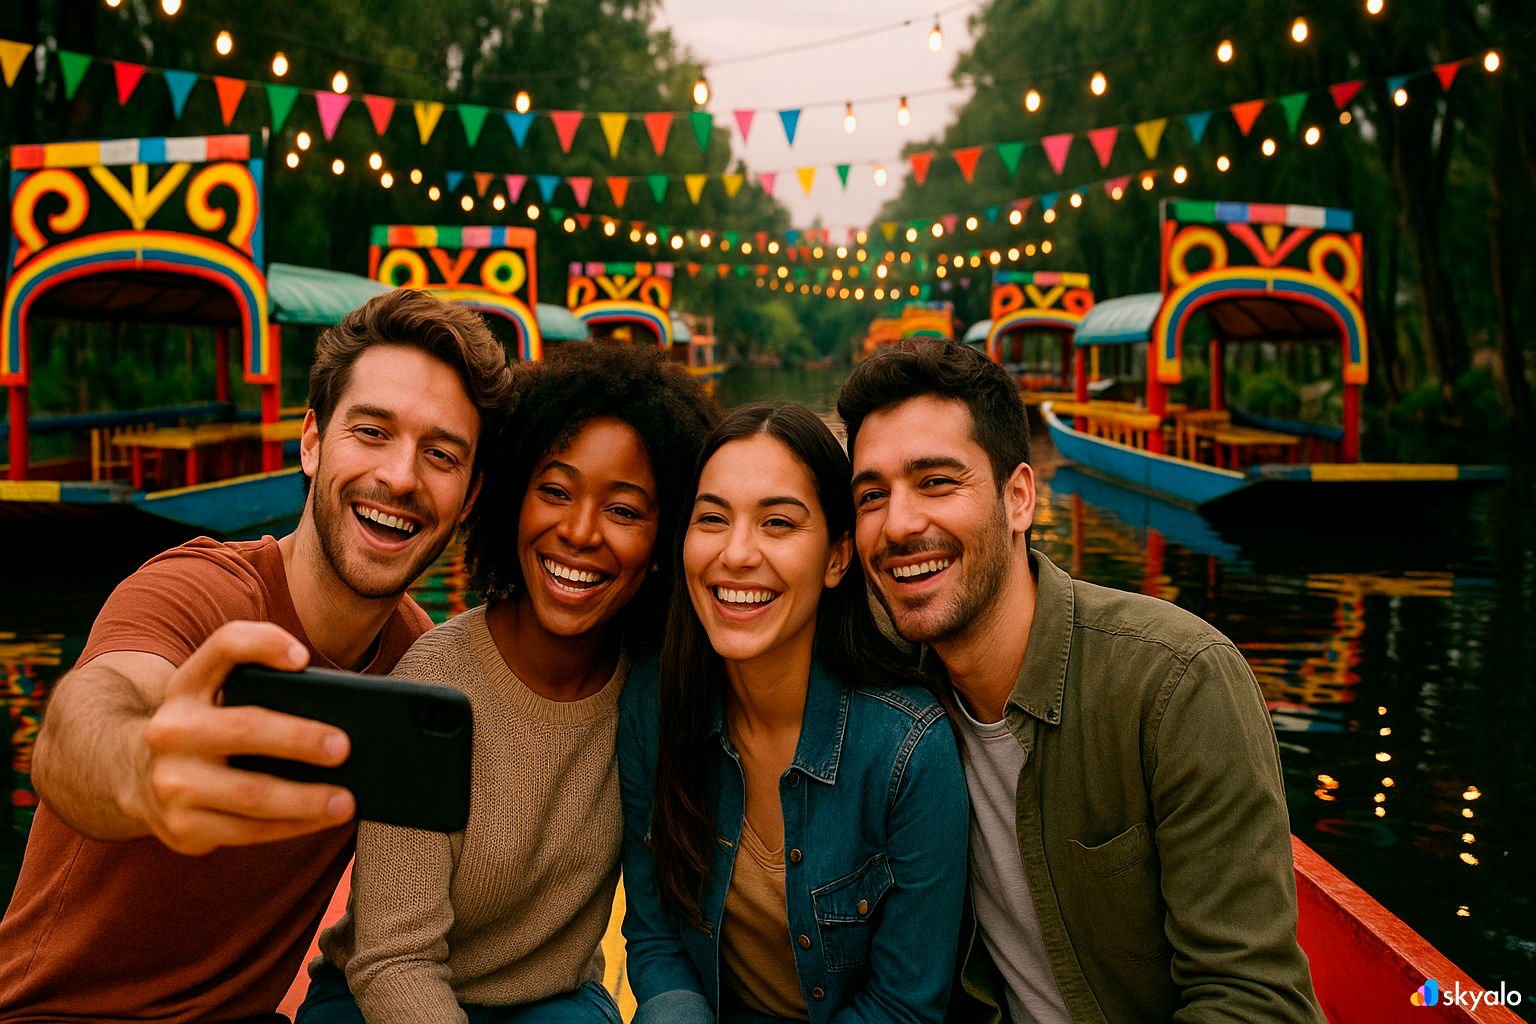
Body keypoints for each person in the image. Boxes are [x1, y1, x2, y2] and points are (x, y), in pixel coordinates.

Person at [0, 289, 512, 1022]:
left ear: (469, 498)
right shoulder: (198, 590)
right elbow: (79, 727)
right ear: (310, 442)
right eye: (371, 432)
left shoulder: (417, 658)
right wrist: (145, 768)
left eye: (441, 454)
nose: (401, 476)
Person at [837, 339, 1326, 1024]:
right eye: (871, 496)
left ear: (1018, 498)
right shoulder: (892, 694)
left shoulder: (1176, 685)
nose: (899, 524)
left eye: (937, 482)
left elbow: (1253, 1003)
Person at [298, 344, 716, 1024]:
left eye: (625, 510)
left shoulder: (653, 696)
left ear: (665, 540)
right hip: (380, 1000)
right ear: (511, 499)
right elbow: (393, 961)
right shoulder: (432, 687)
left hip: (551, 1002)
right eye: (554, 491)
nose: (579, 533)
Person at [620, 402, 969, 1024]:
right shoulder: (656, 700)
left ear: (837, 559)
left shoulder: (908, 752)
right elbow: (658, 938)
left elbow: (905, 1005)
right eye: (712, 519)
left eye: (777, 523)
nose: (736, 554)